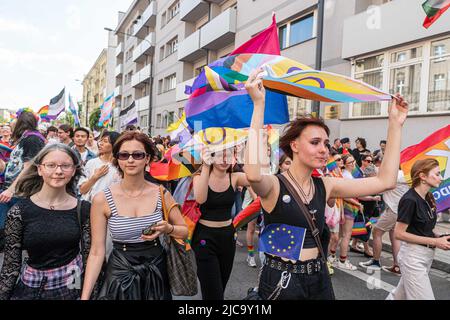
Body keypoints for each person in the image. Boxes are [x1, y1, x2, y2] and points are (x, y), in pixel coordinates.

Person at [244, 68, 408, 300]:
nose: (324, 149)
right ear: (294, 146)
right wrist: (258, 105)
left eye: (326, 142)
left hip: (318, 277)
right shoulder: (274, 185)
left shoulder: (326, 185)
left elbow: (386, 180)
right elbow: (253, 173)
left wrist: (395, 124)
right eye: (315, 142)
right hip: (283, 280)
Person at [81, 131, 188, 300]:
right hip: (119, 270)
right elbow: (96, 251)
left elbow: (184, 231)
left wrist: (169, 228)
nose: (130, 160)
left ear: (147, 159)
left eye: (137, 155)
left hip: (156, 270)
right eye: (124, 155)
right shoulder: (102, 199)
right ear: (117, 159)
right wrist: (85, 296)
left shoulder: (161, 193)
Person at [0, 144, 91, 300]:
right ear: (40, 169)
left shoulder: (83, 209)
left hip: (72, 284)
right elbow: (11, 265)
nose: (58, 171)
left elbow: (90, 257)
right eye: (51, 165)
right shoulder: (19, 211)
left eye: (65, 166)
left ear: (74, 170)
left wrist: (88, 295)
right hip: (32, 288)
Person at [387, 158, 450, 300]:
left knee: (398, 297)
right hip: (412, 257)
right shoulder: (409, 200)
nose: (441, 178)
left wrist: (439, 237)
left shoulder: (428, 197)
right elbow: (399, 233)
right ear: (422, 176)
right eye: (437, 174)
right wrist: (435, 242)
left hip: (425, 256)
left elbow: (423, 227)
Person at [192, 147, 250, 300]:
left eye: (228, 155)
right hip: (205, 238)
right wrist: (205, 165)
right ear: (211, 156)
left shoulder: (235, 177)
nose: (225, 159)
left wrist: (251, 151)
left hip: (228, 237)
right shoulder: (199, 177)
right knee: (213, 294)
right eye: (220, 154)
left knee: (221, 287)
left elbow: (257, 178)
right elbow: (200, 199)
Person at [0, 111, 45, 252]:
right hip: (14, 190)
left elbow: (29, 167)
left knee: (12, 230)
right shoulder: (26, 138)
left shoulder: (32, 139)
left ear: (21, 123)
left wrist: (11, 189)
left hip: (20, 191)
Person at [359, 169, 408, 273]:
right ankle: (397, 266)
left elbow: (377, 186)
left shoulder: (394, 176)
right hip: (401, 210)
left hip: (393, 210)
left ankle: (375, 262)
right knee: (395, 237)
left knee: (376, 232)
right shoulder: (403, 174)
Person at [79, 131, 121, 202]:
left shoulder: (121, 165)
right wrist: (95, 177)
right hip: (90, 206)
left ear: (115, 144)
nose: (100, 143)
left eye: (105, 141)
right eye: (101, 141)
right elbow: (82, 190)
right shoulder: (92, 163)